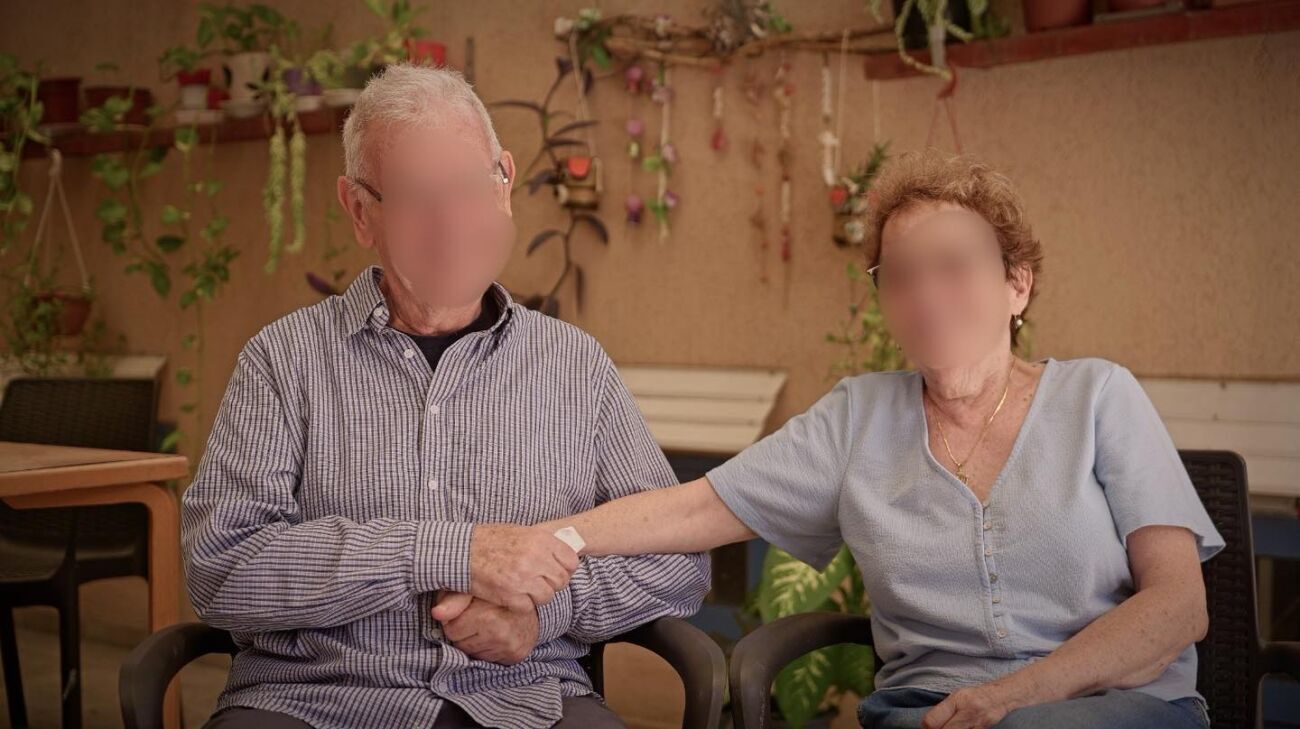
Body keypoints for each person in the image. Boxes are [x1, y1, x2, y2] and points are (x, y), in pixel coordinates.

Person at [531, 150, 1223, 729]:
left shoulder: (1099, 396)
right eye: (901, 275)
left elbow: (1177, 606)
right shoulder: (857, 418)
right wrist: (533, 544)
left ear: (1017, 284)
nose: (926, 294)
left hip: (1114, 705)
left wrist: (1017, 697)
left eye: (953, 266)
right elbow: (695, 508)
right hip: (929, 712)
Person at [181, 63, 709, 729]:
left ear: (504, 182)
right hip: (313, 702)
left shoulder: (576, 367)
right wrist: (446, 551)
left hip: (523, 699)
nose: (450, 222)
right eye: (414, 197)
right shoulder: (282, 361)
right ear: (359, 211)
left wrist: (546, 608)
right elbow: (221, 567)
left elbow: (676, 557)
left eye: (467, 186)